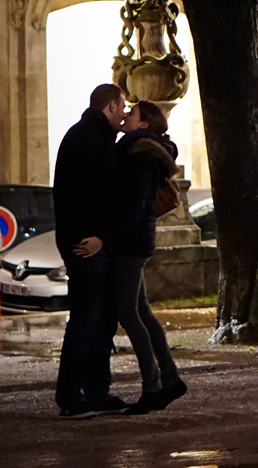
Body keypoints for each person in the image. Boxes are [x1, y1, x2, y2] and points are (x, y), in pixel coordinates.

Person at [52, 83, 130, 419]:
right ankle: (73, 394)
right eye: (123, 107)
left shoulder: (86, 136)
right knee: (87, 319)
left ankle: (93, 391)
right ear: (111, 106)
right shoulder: (92, 141)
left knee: (96, 319)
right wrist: (99, 237)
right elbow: (94, 198)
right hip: (87, 245)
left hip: (85, 241)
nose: (125, 113)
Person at [113, 99, 187, 415]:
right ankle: (168, 377)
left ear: (144, 124)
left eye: (133, 113)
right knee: (141, 311)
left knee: (128, 313)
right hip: (137, 240)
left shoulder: (141, 154)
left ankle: (154, 386)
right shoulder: (145, 150)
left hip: (131, 242)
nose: (126, 115)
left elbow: (136, 202)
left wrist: (109, 236)